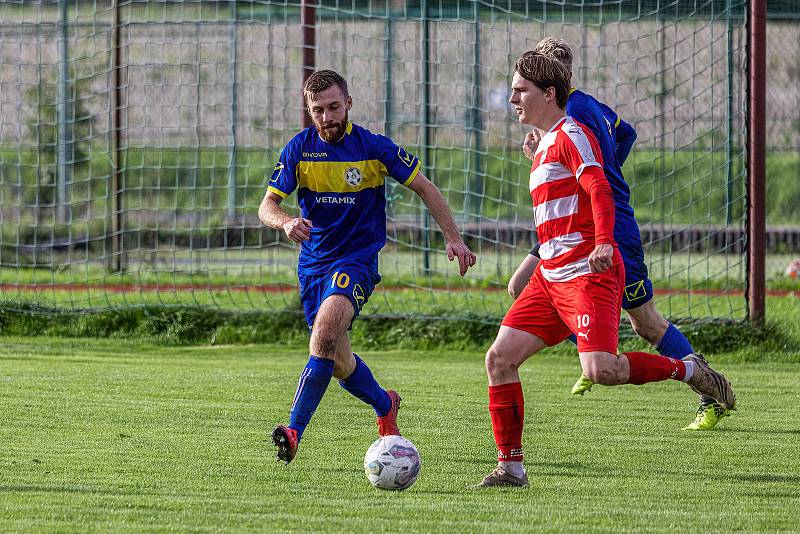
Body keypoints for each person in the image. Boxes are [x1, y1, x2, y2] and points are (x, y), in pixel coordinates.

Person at [475, 52, 735, 488]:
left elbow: (598, 187)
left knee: (603, 370)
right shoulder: (545, 142)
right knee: (499, 359)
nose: (512, 98)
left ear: (548, 93)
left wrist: (602, 243)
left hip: (585, 274)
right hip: (551, 277)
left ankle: (689, 370)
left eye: (520, 90)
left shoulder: (571, 132)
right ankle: (511, 468)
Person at [259, 69, 476, 464]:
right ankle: (384, 403)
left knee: (323, 336)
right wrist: (286, 221)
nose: (327, 117)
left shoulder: (373, 148)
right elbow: (266, 206)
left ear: (349, 104)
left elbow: (426, 188)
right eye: (318, 110)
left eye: (334, 107)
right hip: (312, 267)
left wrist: (453, 238)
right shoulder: (299, 149)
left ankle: (293, 430)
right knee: (339, 362)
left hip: (355, 261)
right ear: (309, 112)